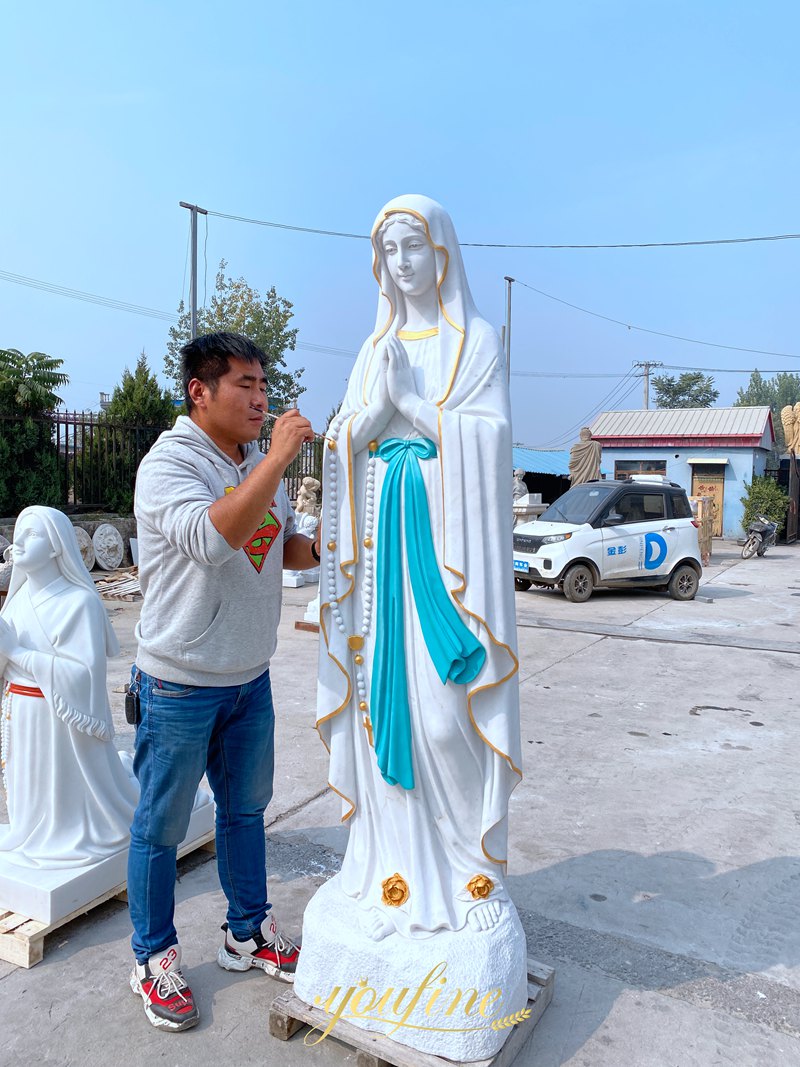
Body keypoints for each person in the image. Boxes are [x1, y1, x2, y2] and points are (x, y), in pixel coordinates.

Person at [315, 195, 522, 941]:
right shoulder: (374, 350)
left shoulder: (477, 345)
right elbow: (345, 444)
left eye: (413, 246)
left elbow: (490, 450)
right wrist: (369, 422)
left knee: (444, 719)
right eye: (389, 250)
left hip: (446, 564)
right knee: (379, 718)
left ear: (442, 253)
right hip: (379, 568)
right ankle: (391, 873)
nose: (401, 263)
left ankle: (471, 870)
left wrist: (411, 402)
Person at [127, 332, 319, 1032]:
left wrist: (326, 544)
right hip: (179, 680)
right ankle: (152, 956)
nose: (261, 396)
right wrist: (274, 460)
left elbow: (279, 544)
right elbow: (216, 538)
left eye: (264, 383)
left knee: (245, 812)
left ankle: (247, 933)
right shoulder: (171, 463)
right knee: (161, 827)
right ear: (198, 392)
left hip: (248, 676)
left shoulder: (252, 462)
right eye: (244, 383)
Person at [0, 506, 138, 867]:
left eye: (31, 534)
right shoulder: (14, 605)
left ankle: (65, 830)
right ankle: (28, 828)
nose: (19, 542)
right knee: (29, 785)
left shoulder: (80, 603)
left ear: (57, 546)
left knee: (60, 794)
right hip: (21, 713)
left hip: (60, 721)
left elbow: (81, 676)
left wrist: (16, 652)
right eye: (17, 535)